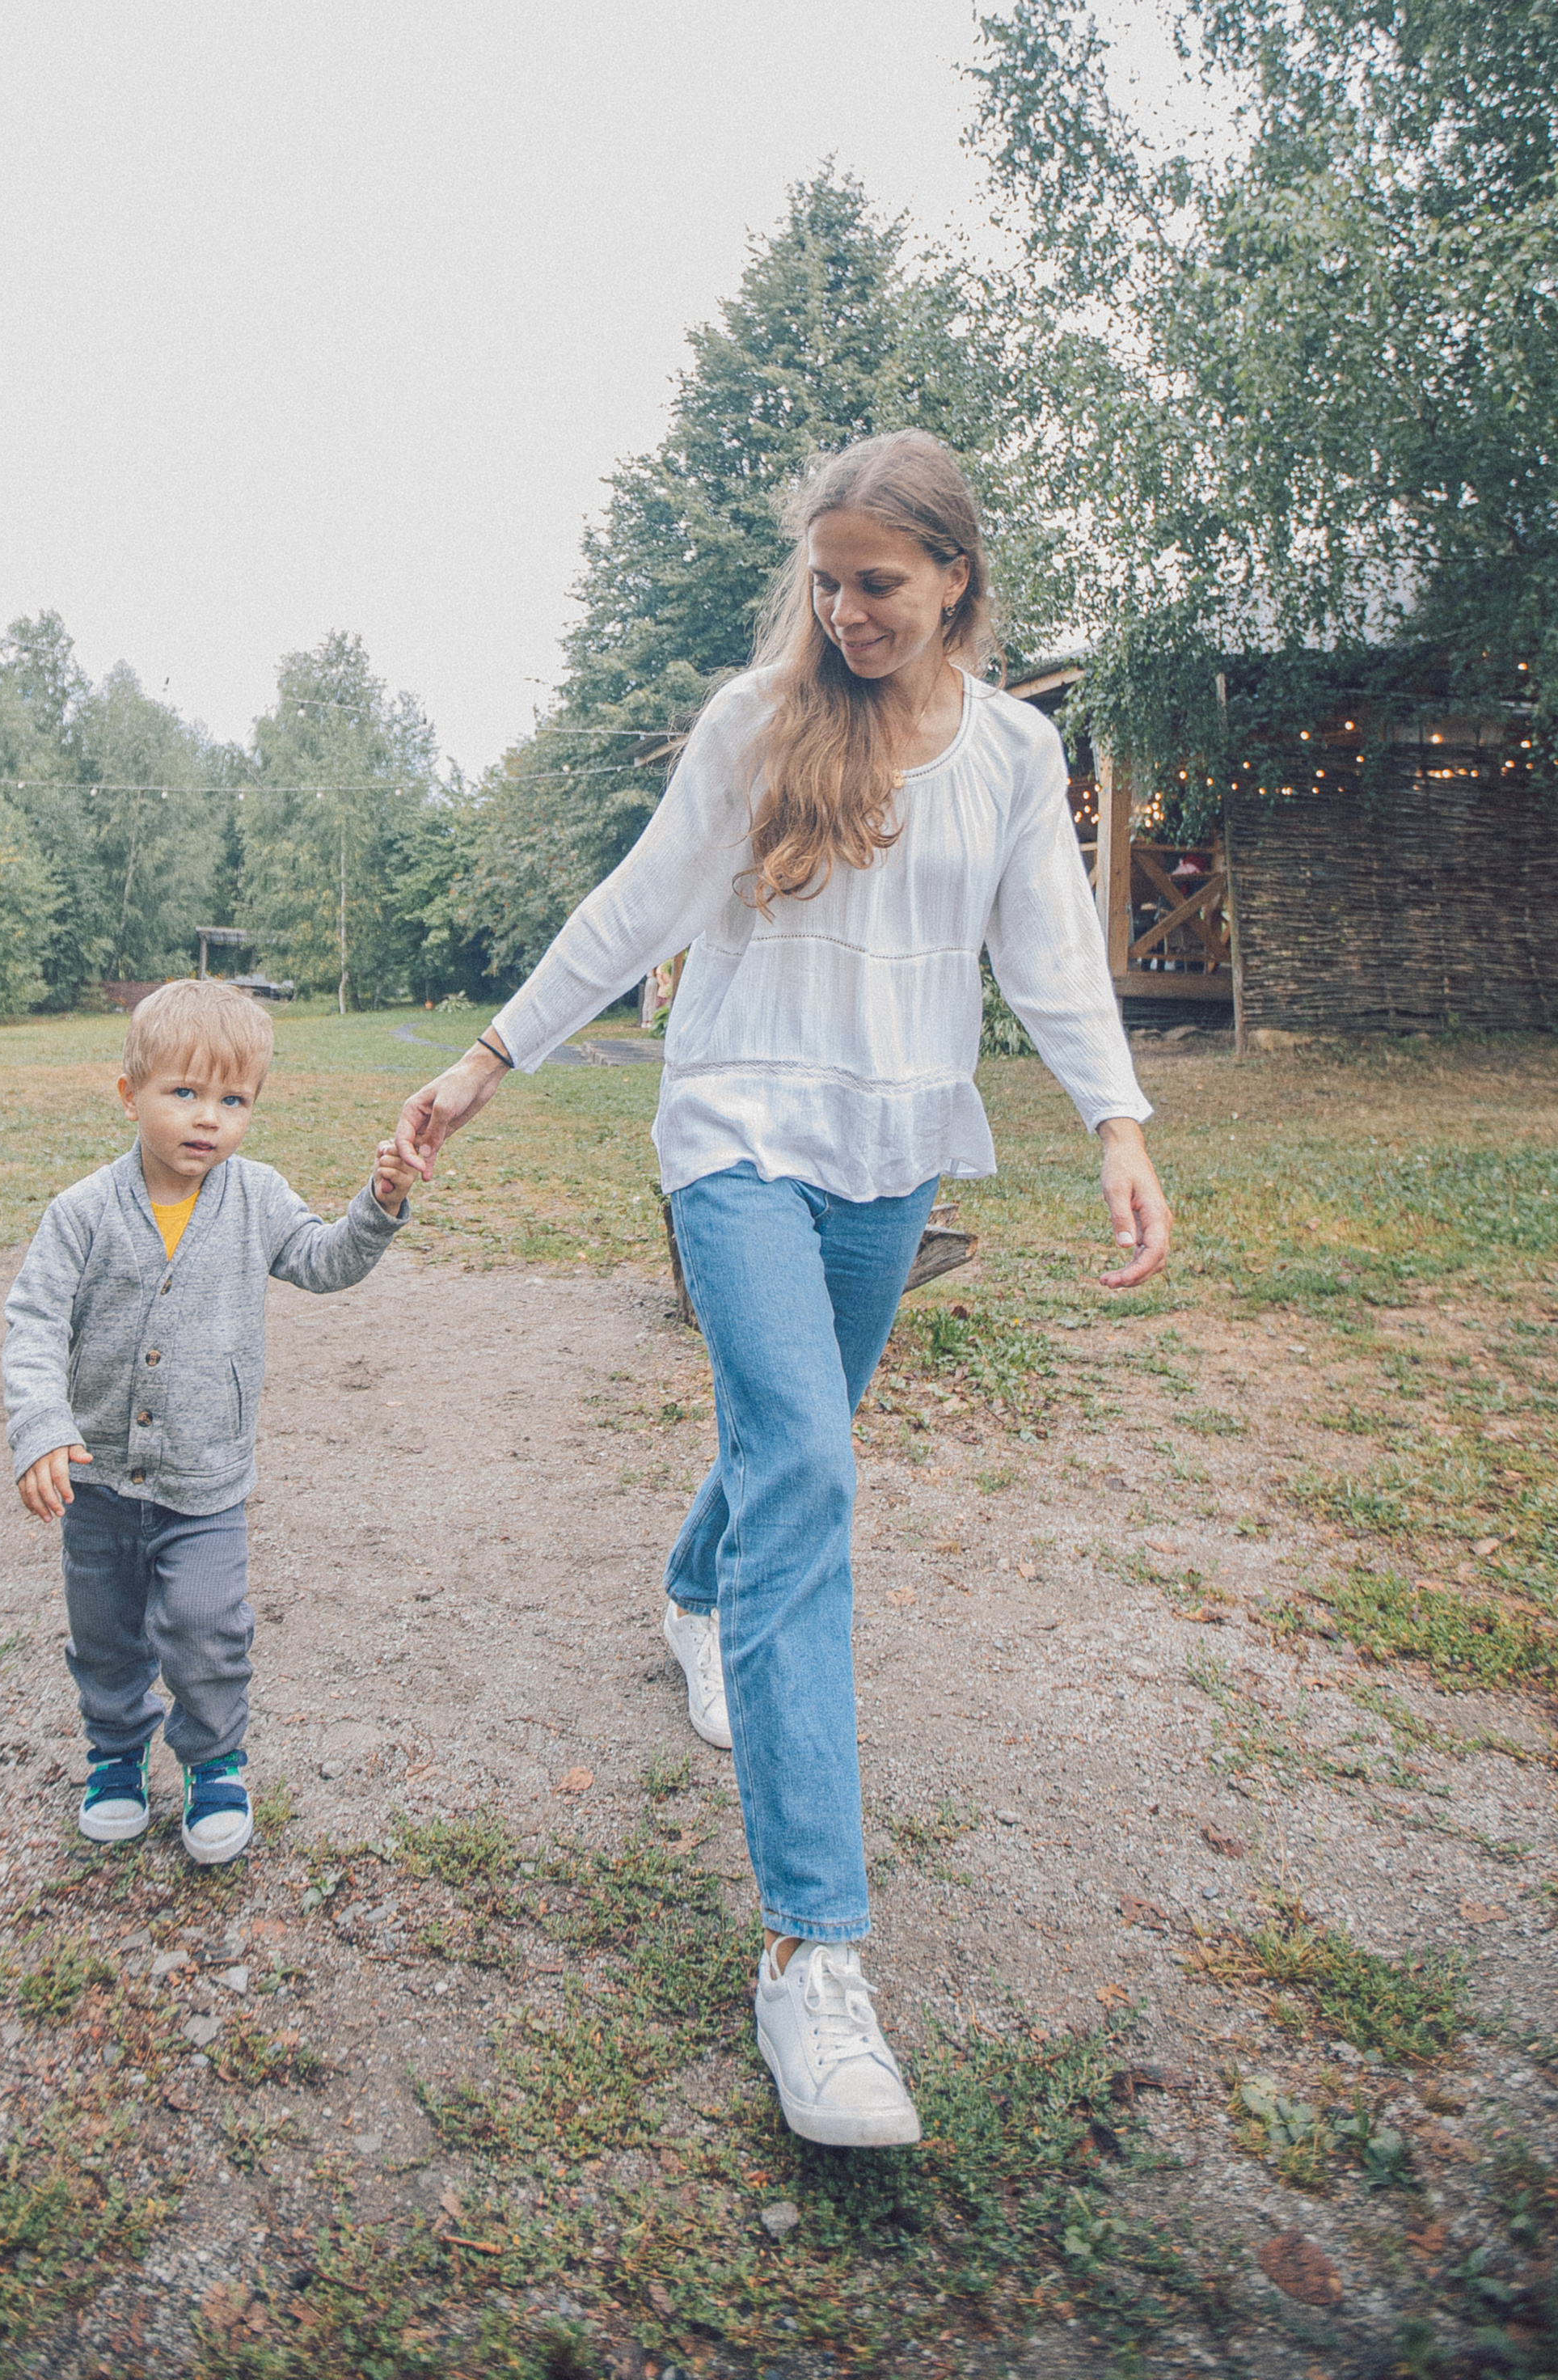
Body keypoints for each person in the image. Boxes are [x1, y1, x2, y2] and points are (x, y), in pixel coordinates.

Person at [396, 429, 1169, 2150]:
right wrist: (481, 1061)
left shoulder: (1014, 751)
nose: (844, 611)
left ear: (954, 577)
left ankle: (689, 1592)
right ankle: (812, 1955)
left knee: (793, 1435)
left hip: (892, 1152)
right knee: (808, 1470)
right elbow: (630, 909)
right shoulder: (760, 725)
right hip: (736, 1130)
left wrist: (1116, 1122)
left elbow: (1045, 949)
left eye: (876, 584)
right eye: (824, 581)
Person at [2, 979, 418, 1860]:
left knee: (205, 1624)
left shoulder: (255, 1196)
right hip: (99, 1481)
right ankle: (115, 1754)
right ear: (130, 1096)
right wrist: (40, 1424)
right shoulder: (80, 1213)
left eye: (233, 1101)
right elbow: (34, 1321)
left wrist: (376, 1204)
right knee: (105, 1631)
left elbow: (321, 1260)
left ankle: (214, 1760)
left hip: (206, 1479)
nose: (209, 1120)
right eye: (184, 1094)